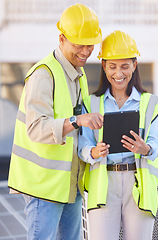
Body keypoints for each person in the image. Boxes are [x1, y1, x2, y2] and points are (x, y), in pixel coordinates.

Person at [7, 4, 103, 240]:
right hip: (44, 188)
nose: (85, 51)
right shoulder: (43, 74)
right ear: (61, 39)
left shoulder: (77, 74)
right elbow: (36, 129)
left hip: (70, 184)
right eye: (78, 44)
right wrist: (77, 120)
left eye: (90, 44)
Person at [78, 30, 158, 240]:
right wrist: (94, 151)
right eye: (113, 66)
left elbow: (156, 143)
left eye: (125, 66)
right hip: (104, 185)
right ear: (104, 66)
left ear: (134, 66)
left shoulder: (152, 104)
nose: (118, 73)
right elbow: (82, 148)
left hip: (137, 185)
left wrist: (145, 148)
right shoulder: (91, 104)